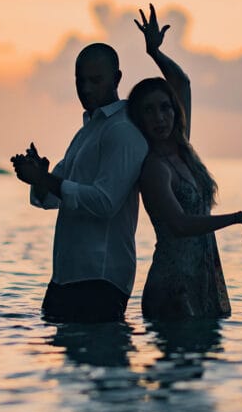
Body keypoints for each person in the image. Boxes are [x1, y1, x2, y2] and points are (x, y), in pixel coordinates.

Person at [128, 4, 242, 320]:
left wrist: (155, 54)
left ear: (175, 112)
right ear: (138, 118)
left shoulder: (182, 149)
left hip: (201, 276)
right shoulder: (153, 167)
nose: (160, 117)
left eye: (165, 108)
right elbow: (178, 224)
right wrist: (236, 218)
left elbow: (183, 84)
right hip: (172, 286)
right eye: (149, 111)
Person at [11, 43, 149, 323]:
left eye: (95, 80)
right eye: (80, 81)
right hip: (67, 277)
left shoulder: (123, 130)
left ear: (117, 79)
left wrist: (45, 179)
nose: (85, 89)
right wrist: (40, 178)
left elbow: (105, 202)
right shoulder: (86, 133)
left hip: (100, 278)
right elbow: (50, 198)